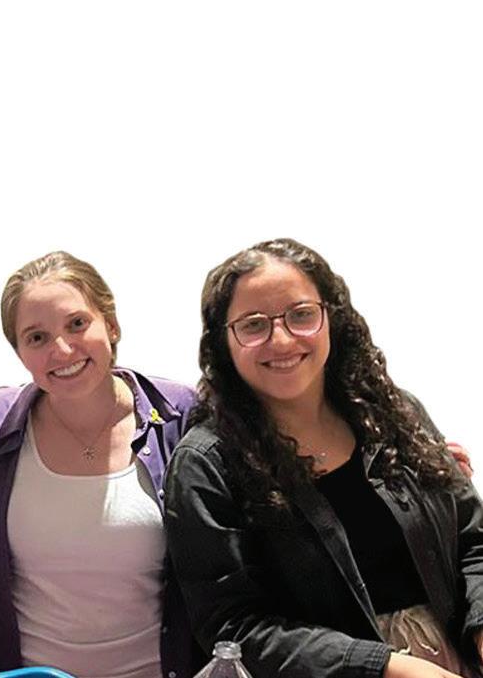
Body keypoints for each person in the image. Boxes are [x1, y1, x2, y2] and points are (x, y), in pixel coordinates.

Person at [164, 238, 483, 678]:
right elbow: (233, 624)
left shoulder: (395, 414)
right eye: (253, 325)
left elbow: (472, 539)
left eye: (301, 315)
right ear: (223, 341)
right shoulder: (206, 465)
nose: (281, 340)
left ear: (331, 316)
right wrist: (385, 667)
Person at [0, 251, 200, 678]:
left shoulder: (180, 416)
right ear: (19, 353)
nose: (62, 349)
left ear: (111, 325)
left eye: (77, 324)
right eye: (37, 337)